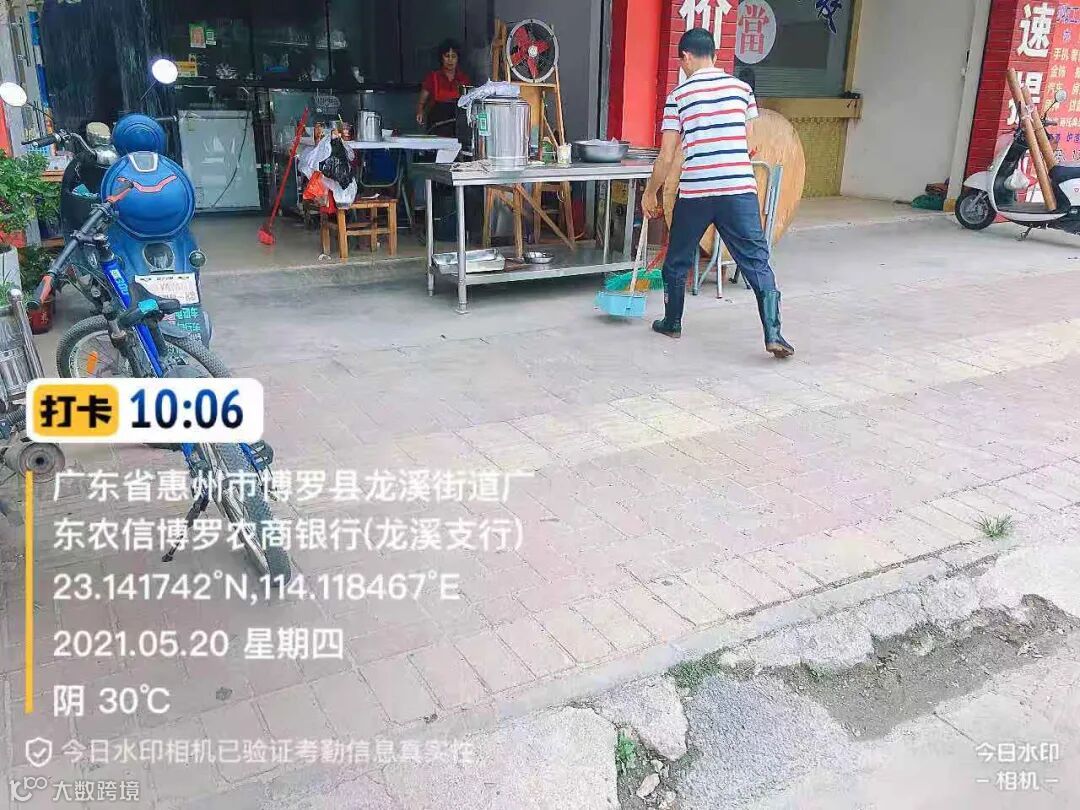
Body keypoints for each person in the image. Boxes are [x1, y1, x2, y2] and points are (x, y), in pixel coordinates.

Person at [642, 28, 794, 358]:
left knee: (678, 259)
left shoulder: (679, 95)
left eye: (681, 62)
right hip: (738, 189)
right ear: (713, 54)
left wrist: (649, 193)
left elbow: (667, 155)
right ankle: (774, 333)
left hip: (696, 191)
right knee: (757, 260)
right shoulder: (742, 90)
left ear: (685, 57)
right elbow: (748, 141)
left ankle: (672, 322)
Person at [416, 39, 470, 137]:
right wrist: (420, 112)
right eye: (447, 56)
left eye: (453, 56)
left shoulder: (463, 79)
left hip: (457, 128)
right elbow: (421, 102)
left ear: (458, 59)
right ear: (441, 58)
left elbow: (467, 102)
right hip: (436, 127)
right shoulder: (433, 77)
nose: (450, 60)